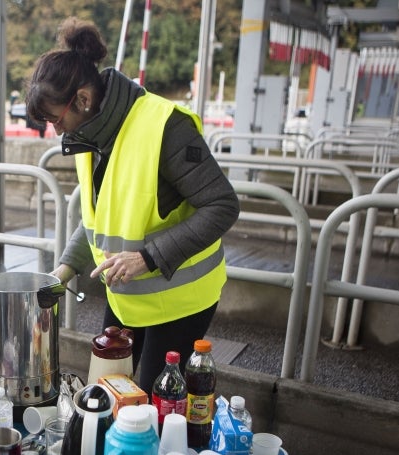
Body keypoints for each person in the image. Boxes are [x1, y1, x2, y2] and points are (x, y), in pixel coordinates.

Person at [25, 18, 240, 397]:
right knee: (107, 393)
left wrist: (146, 257)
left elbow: (222, 205)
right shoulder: (90, 134)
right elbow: (99, 215)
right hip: (129, 297)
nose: (56, 131)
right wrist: (64, 270)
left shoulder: (164, 126)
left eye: (55, 120)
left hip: (180, 300)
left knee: (150, 409)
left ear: (84, 99)